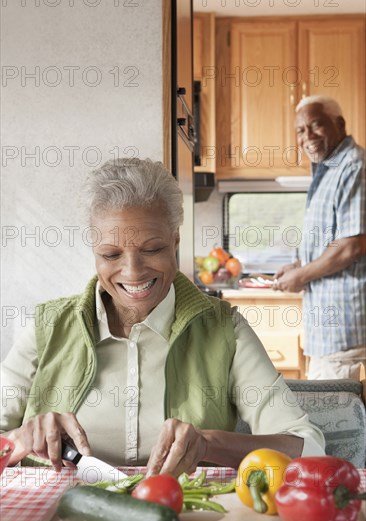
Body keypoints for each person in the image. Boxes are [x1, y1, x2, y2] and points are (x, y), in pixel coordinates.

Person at [1, 158, 325, 477]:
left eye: (152, 249)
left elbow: (307, 447)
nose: (132, 272)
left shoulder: (225, 329)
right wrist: (19, 439)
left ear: (175, 241)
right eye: (111, 255)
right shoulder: (48, 327)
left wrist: (208, 443)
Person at [274, 96, 366, 381]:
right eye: (300, 131)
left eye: (316, 126)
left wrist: (302, 276)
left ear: (339, 124)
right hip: (331, 336)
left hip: (346, 335)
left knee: (335, 423)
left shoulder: (353, 166)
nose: (307, 137)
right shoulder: (329, 168)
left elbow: (352, 244)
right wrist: (300, 264)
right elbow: (334, 239)